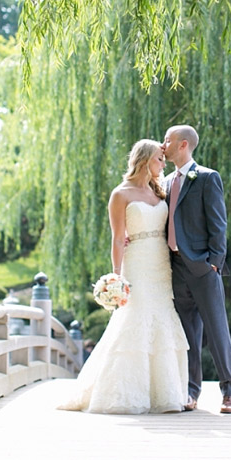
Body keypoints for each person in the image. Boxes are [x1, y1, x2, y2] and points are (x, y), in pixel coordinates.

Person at [58, 139, 189, 414]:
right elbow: (118, 239)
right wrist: (116, 277)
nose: (163, 164)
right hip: (137, 262)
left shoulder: (159, 191)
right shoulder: (120, 194)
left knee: (162, 318)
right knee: (134, 318)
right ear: (144, 160)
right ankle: (124, 393)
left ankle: (164, 394)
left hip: (161, 264)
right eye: (159, 159)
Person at [162, 124, 231, 414]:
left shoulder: (207, 178)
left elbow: (218, 224)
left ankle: (229, 392)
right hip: (175, 268)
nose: (162, 144)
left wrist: (214, 263)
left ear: (183, 145)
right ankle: (191, 392)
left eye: (167, 140)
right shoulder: (166, 181)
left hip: (203, 268)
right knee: (187, 336)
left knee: (217, 331)